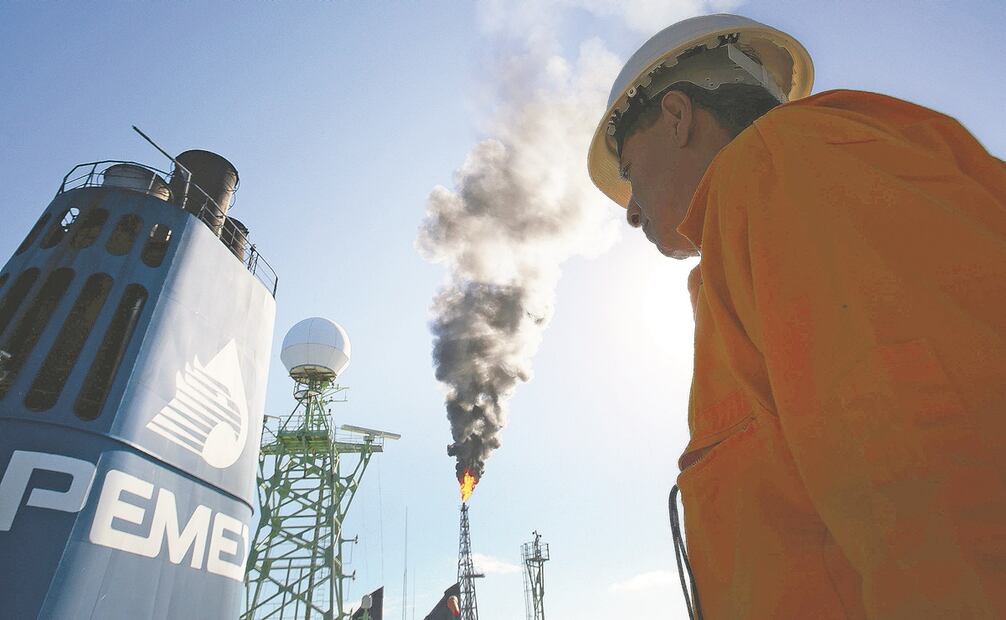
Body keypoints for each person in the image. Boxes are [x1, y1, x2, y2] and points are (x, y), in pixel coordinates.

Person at [586, 13, 1006, 619]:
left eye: (629, 171)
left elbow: (936, 473)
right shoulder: (762, 217)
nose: (630, 210)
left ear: (677, 116)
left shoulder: (786, 166)